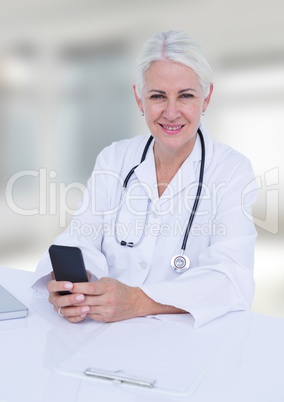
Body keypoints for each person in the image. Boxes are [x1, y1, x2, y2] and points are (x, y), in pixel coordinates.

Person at [33, 30, 257, 328]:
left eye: (186, 95)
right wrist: (74, 288)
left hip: (185, 340)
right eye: (157, 96)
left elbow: (231, 277)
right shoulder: (114, 158)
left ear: (207, 97)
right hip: (104, 329)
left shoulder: (231, 170)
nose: (172, 112)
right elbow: (80, 237)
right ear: (139, 99)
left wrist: (137, 301)